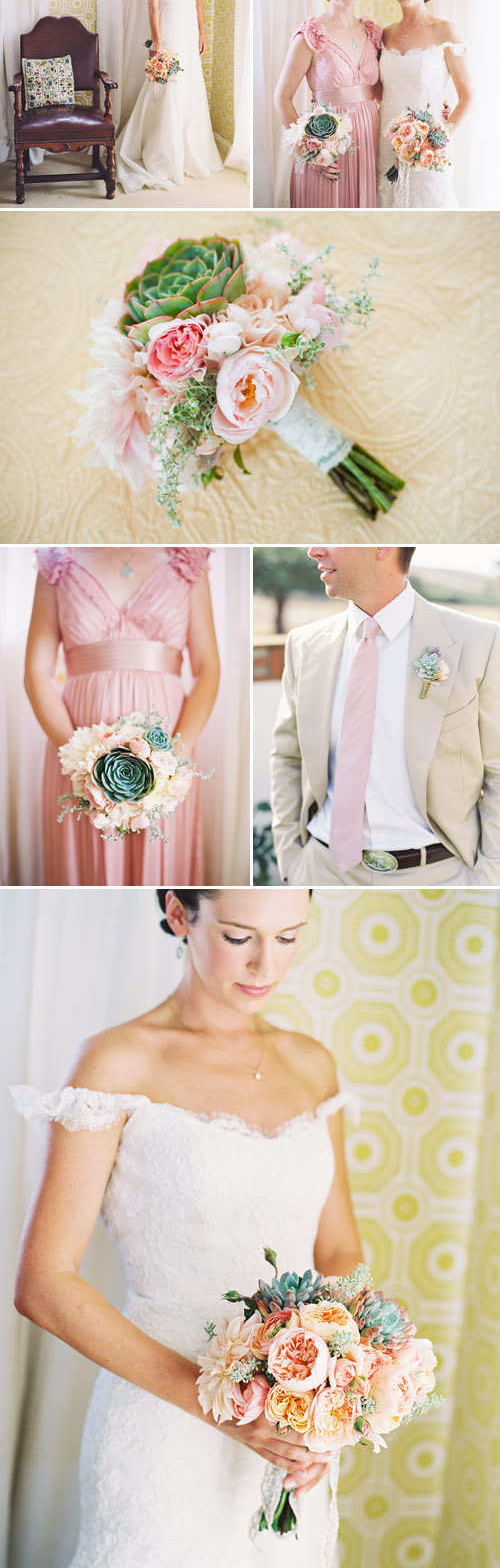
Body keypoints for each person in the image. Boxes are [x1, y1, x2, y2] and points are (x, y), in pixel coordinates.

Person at [12, 887, 362, 1568]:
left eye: (290, 936)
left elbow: (338, 1248)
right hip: (162, 1423)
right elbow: (43, 1283)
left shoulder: (312, 1064)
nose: (267, 964)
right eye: (239, 937)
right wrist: (228, 1409)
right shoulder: (116, 1062)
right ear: (179, 913)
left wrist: (335, 1390)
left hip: (291, 1429)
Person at [270, 546, 500, 887]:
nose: (314, 550)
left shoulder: (481, 642)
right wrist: (292, 861)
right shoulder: (304, 644)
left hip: (442, 877)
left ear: (382, 545)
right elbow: (287, 757)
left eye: (330, 539)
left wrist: (488, 876)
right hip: (323, 873)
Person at [24, 547, 219, 886]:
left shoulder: (188, 561)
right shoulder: (58, 562)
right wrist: (80, 761)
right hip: (75, 750)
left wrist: (174, 759)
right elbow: (36, 673)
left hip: (169, 751)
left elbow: (208, 670)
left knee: (162, 862)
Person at [116, 0, 222, 193]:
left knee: (190, 86)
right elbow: (152, 4)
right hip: (170, 29)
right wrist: (157, 41)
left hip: (189, 31)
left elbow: (198, 0)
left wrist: (202, 32)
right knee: (169, 88)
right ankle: (165, 154)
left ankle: (190, 151)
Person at [274, 0, 381, 209]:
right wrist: (311, 153)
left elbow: (382, 90)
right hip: (329, 147)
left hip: (369, 144)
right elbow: (282, 97)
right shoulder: (309, 36)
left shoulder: (373, 33)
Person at [377, 0, 474, 208]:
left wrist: (439, 138)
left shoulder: (446, 32)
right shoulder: (385, 34)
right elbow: (380, 90)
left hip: (430, 150)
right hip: (387, 145)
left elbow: (468, 96)